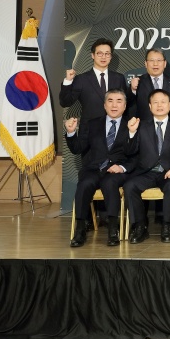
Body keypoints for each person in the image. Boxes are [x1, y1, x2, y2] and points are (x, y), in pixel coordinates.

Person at [63, 89, 131, 247]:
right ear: (104, 105)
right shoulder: (92, 124)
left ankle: (113, 230)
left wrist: (122, 167)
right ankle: (80, 229)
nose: (114, 105)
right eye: (110, 101)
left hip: (116, 171)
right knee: (84, 184)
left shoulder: (131, 125)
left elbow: (137, 154)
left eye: (119, 101)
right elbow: (77, 148)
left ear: (125, 105)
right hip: (93, 169)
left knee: (110, 183)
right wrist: (71, 133)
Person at [118, 89, 170, 244]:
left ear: (169, 105)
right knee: (129, 186)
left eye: (163, 102)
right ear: (149, 106)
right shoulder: (140, 125)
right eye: (155, 102)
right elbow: (129, 152)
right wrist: (131, 133)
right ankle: (140, 226)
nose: (159, 105)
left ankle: (167, 226)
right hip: (146, 172)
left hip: (168, 172)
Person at [59, 37, 127, 134]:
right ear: (93, 55)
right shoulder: (81, 79)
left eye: (107, 54)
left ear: (111, 57)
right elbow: (65, 102)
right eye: (100, 53)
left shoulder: (119, 78)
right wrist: (68, 81)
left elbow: (125, 104)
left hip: (114, 131)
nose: (103, 57)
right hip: (89, 132)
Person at [127, 48, 170, 122]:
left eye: (159, 60)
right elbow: (128, 105)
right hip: (144, 126)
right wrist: (133, 90)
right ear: (146, 64)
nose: (155, 64)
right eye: (151, 60)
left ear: (164, 63)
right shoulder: (138, 82)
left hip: (169, 126)